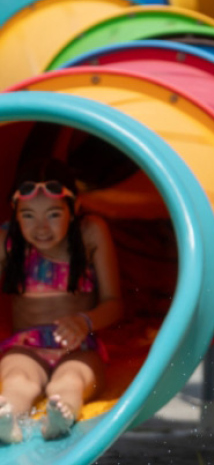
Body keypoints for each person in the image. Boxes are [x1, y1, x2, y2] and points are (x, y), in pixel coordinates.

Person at [0, 160, 123, 443]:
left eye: (53, 214)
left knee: (70, 381)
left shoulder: (90, 234)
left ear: (74, 209)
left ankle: (61, 417)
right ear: (15, 214)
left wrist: (85, 321)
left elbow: (114, 303)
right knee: (18, 380)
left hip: (80, 347)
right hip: (25, 346)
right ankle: (7, 420)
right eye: (28, 215)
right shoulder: (8, 241)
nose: (41, 227)